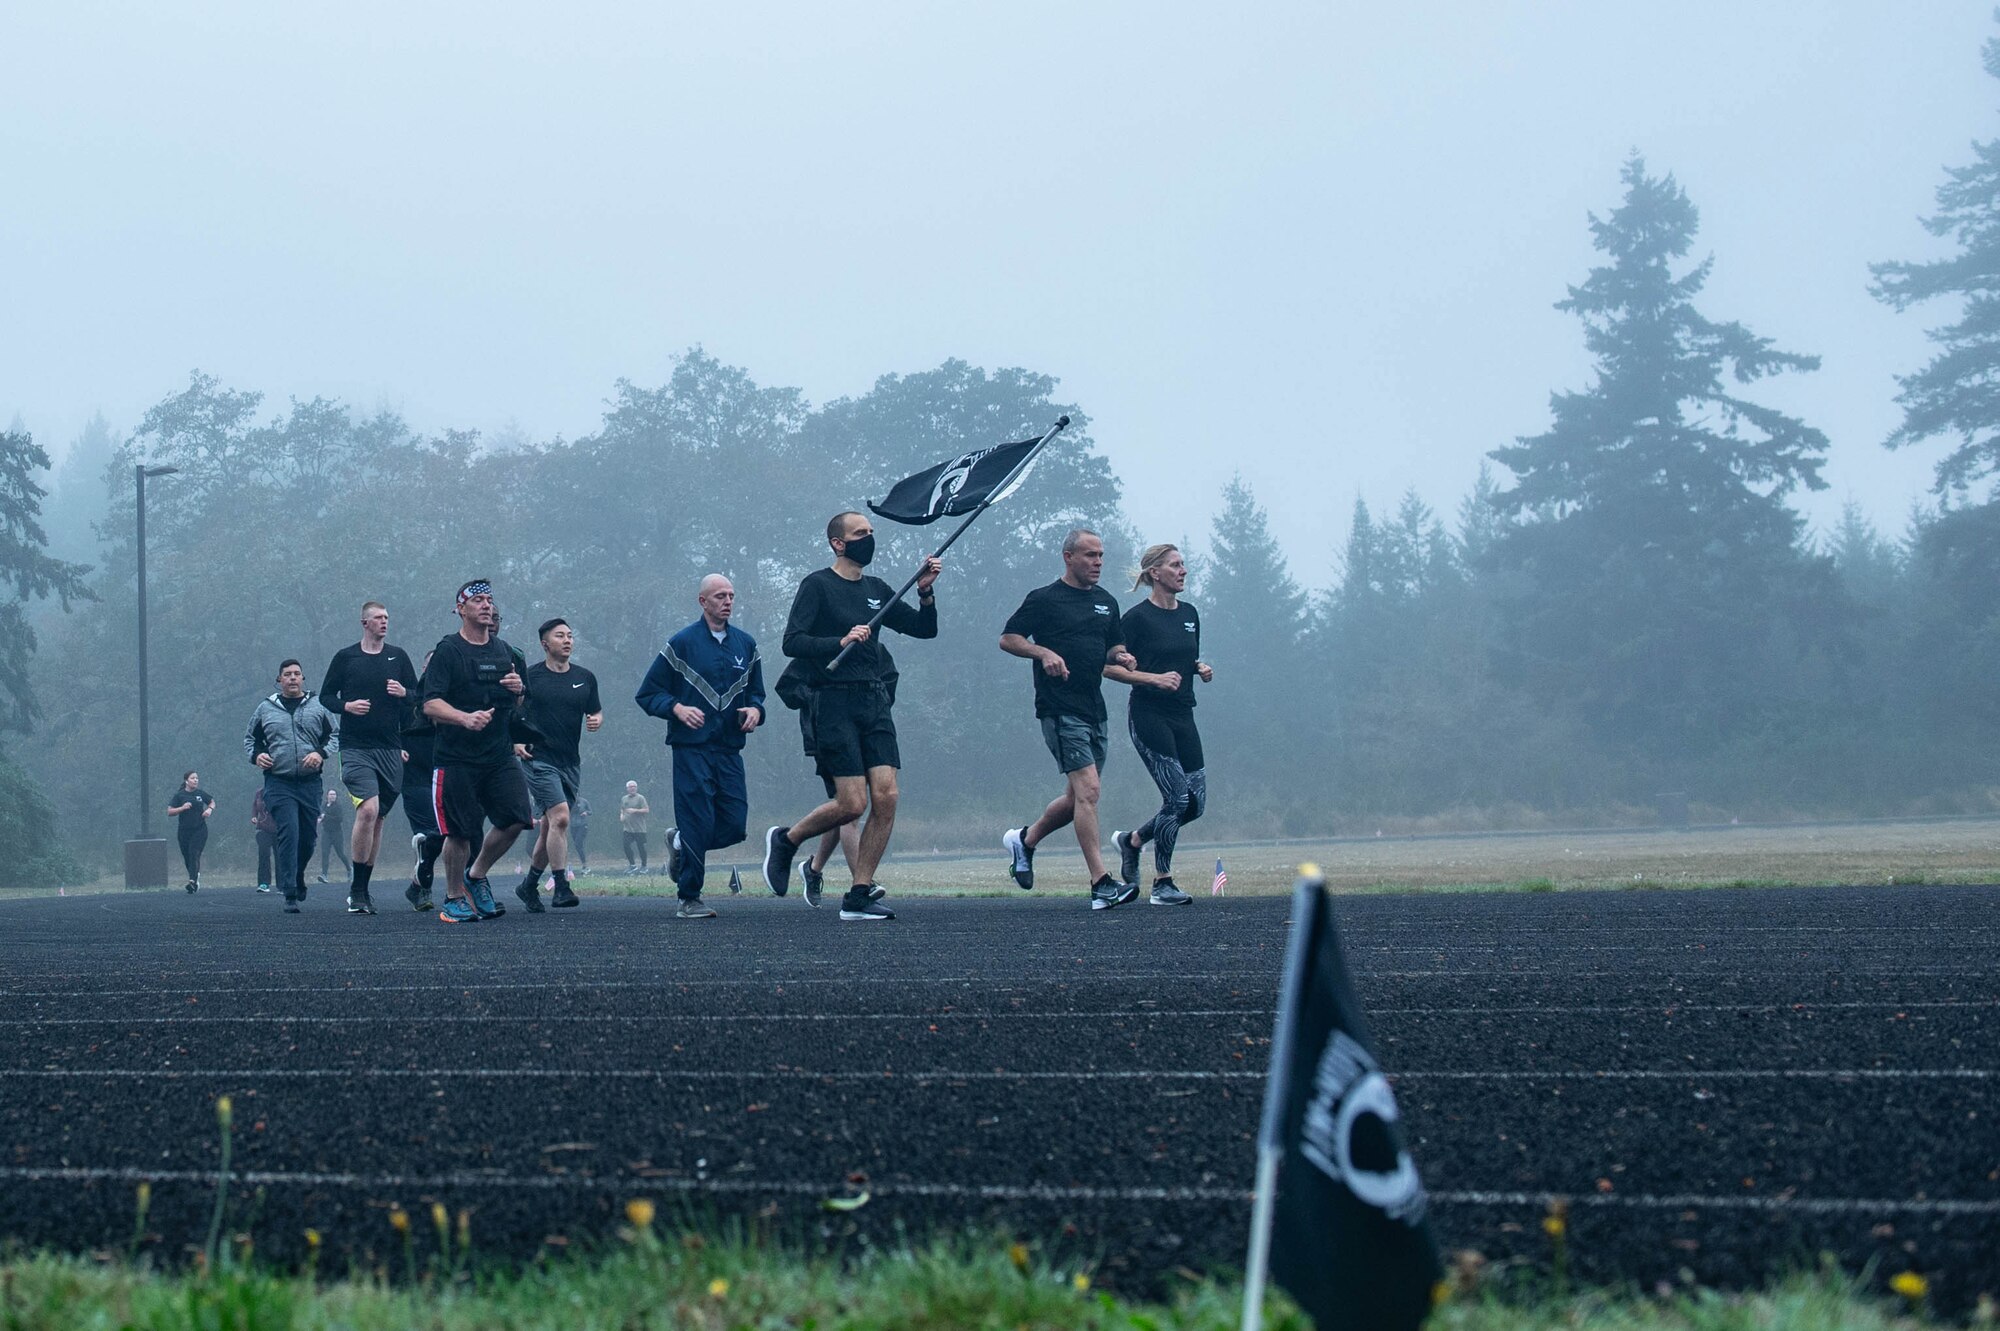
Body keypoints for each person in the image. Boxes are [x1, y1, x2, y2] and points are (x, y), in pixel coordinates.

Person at [762, 510, 941, 921]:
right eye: (861, 533)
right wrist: (838, 640)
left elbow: (924, 629)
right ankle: (788, 840)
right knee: (852, 804)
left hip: (873, 699)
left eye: (872, 532)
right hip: (832, 702)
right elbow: (792, 642)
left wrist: (926, 593)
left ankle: (859, 895)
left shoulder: (878, 589)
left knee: (888, 795)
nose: (869, 538)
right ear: (838, 543)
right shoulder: (817, 585)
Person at [998, 528, 1139, 910]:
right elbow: (1009, 638)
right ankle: (1101, 883)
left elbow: (1113, 645)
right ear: (1068, 557)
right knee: (1090, 791)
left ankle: (1025, 840)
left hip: (1095, 709)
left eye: (1101, 555)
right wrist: (1043, 652)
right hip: (1058, 708)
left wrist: (1122, 657)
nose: (1098, 563)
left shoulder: (1106, 602)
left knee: (1078, 797)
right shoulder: (1044, 599)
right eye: (1090, 555)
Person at [637, 574, 766, 919]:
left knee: (734, 824)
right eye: (720, 596)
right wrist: (676, 708)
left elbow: (757, 693)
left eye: (731, 595)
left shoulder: (747, 645)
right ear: (702, 601)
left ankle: (680, 842)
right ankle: (689, 897)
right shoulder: (681, 643)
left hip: (729, 749)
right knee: (697, 820)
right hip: (691, 748)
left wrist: (756, 710)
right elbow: (648, 694)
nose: (728, 601)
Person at [1104, 544, 1213, 906]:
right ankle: (1162, 883)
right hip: (1149, 715)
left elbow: (1185, 656)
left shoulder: (1190, 614)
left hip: (1184, 714)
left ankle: (1132, 840)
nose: (1183, 571)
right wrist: (1152, 679)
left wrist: (1199, 668)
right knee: (1177, 798)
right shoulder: (1136, 619)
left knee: (1195, 805)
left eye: (1184, 564)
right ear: (1155, 573)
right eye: (1175, 565)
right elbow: (1107, 666)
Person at [422, 580, 533, 924]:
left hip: (498, 754)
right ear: (461, 609)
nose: (486, 605)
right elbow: (429, 703)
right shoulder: (448, 651)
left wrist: (518, 691)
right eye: (478, 600)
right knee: (459, 832)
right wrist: (463, 718)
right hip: (456, 757)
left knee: (517, 818)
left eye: (489, 600)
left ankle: (476, 876)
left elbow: (517, 703)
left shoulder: (504, 651)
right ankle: (454, 898)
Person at [319, 600, 420, 915]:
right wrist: (347, 706)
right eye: (378, 618)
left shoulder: (398, 656)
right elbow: (325, 697)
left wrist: (404, 694)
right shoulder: (346, 657)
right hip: (355, 748)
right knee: (368, 810)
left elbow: (418, 697)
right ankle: (356, 890)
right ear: (364, 623)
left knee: (378, 820)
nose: (384, 622)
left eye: (387, 617)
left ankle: (362, 888)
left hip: (390, 748)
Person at [514, 617, 603, 912]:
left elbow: (596, 711)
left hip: (569, 762)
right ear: (545, 644)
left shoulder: (585, 677)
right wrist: (515, 741)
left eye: (570, 636)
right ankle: (561, 886)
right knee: (562, 817)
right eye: (560, 636)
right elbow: (514, 715)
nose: (567, 640)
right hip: (538, 759)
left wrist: (595, 720)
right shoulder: (531, 677)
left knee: (551, 827)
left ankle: (528, 886)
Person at [243, 659, 337, 913]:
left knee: (307, 839)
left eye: (297, 674)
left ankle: (298, 875)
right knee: (289, 833)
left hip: (309, 783)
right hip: (278, 782)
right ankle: (290, 892)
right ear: (280, 680)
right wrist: (257, 756)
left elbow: (335, 735)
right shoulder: (265, 708)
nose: (293, 678)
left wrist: (320, 753)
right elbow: (251, 739)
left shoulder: (318, 705)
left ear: (303, 679)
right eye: (287, 674)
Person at [400, 649, 444, 912]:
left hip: (448, 773)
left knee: (456, 835)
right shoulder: (407, 697)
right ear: (424, 667)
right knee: (432, 834)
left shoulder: (455, 698)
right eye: (432, 664)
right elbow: (388, 725)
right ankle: (423, 887)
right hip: (415, 776)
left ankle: (417, 885)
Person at [165, 770, 215, 894]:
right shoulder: (179, 795)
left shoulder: (200, 793)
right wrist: (182, 808)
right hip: (184, 831)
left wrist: (209, 809)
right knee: (187, 857)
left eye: (197, 778)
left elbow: (212, 801)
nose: (196, 780)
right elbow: (170, 812)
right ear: (186, 781)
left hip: (199, 829)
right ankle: (195, 876)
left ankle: (192, 881)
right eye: (193, 778)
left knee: (194, 854)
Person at [316, 788, 351, 883]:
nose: (332, 796)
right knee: (325, 853)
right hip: (326, 833)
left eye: (334, 794)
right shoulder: (323, 806)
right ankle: (324, 875)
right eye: (331, 794)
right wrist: (320, 819)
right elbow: (321, 816)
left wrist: (325, 817)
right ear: (327, 796)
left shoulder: (338, 806)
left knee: (340, 853)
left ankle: (349, 869)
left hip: (337, 833)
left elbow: (339, 819)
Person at [251, 787, 278, 892]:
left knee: (280, 857)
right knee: (264, 855)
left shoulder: (281, 790)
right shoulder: (259, 792)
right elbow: (254, 805)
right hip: (262, 828)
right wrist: (254, 816)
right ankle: (263, 883)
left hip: (278, 829)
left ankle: (282, 884)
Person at [619, 781, 649, 873]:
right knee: (626, 845)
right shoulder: (624, 798)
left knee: (641, 848)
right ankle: (632, 865)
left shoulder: (640, 798)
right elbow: (622, 809)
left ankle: (644, 866)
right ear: (627, 788)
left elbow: (646, 810)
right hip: (627, 828)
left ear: (636, 788)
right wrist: (621, 816)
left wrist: (635, 810)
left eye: (634, 786)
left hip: (639, 829)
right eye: (630, 787)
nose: (632, 788)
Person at [570, 794, 591, 872]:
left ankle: (585, 865)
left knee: (578, 843)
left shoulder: (584, 801)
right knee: (577, 846)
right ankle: (584, 865)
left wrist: (586, 813)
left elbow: (590, 811)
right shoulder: (569, 801)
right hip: (573, 826)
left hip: (582, 825)